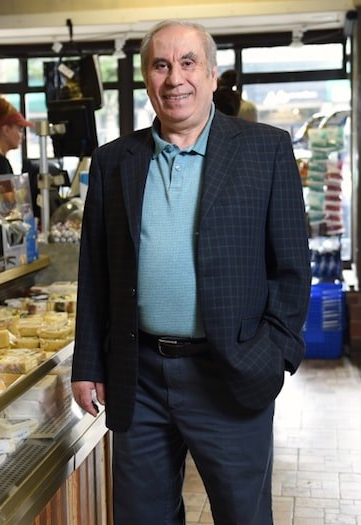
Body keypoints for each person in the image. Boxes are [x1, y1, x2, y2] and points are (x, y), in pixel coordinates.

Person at [70, 19, 311, 525]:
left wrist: (276, 354)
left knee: (243, 516)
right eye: (160, 65)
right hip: (140, 377)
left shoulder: (264, 150)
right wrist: (89, 362)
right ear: (145, 78)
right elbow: (95, 271)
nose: (174, 77)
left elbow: (291, 267)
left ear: (212, 75)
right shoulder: (115, 162)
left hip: (230, 371)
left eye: (187, 63)